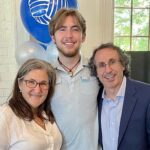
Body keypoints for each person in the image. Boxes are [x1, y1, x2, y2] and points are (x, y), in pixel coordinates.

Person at [48, 8, 99, 150]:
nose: (69, 35)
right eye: (62, 29)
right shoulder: (45, 75)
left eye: (75, 29)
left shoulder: (98, 72)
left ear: (83, 36)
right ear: (53, 37)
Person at [89, 43, 150, 150]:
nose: (108, 70)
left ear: (123, 65)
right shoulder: (95, 99)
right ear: (96, 72)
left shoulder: (146, 95)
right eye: (102, 65)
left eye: (112, 62)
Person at [0, 58, 62, 150]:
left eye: (43, 83)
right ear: (19, 84)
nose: (37, 90)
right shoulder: (4, 116)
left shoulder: (46, 114)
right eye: (31, 82)